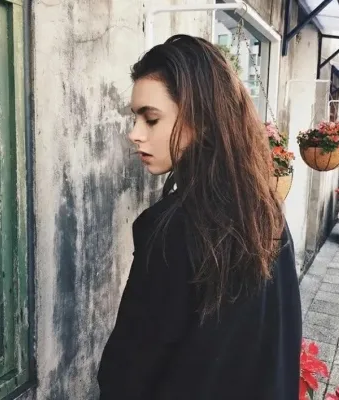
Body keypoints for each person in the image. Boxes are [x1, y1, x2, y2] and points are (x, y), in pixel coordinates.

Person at [98, 35, 301, 400]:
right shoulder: (264, 210)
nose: (134, 134)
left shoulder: (171, 228)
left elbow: (128, 372)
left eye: (151, 119)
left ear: (203, 120)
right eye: (135, 118)